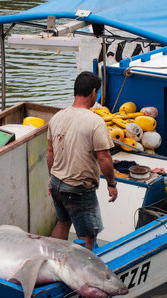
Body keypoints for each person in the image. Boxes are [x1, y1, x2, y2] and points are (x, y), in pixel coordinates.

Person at [46, 71, 118, 250]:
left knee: (63, 222)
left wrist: (51, 178)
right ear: (93, 92)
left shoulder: (57, 117)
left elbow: (50, 152)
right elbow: (104, 158)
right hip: (78, 189)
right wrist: (111, 183)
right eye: (97, 93)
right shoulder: (95, 122)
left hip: (56, 183)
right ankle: (83, 274)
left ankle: (51, 258)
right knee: (87, 236)